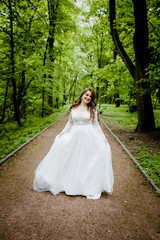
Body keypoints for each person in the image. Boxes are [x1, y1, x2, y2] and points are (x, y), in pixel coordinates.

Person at [33, 88, 114, 199]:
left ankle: (85, 184)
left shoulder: (92, 110)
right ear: (82, 95)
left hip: (88, 136)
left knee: (86, 160)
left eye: (90, 96)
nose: (88, 97)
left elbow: (96, 125)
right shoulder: (73, 108)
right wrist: (62, 133)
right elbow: (70, 123)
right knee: (72, 158)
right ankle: (70, 182)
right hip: (74, 135)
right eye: (86, 95)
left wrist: (103, 137)